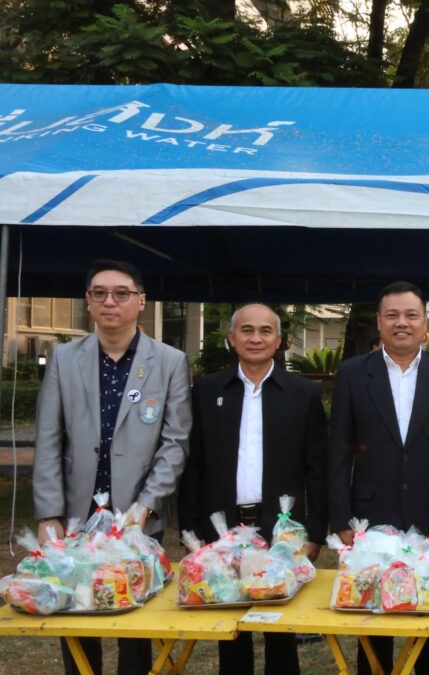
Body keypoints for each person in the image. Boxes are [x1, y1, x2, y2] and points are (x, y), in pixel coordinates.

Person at [33, 259, 191, 675]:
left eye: (122, 293)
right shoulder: (64, 357)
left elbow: (175, 443)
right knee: (76, 613)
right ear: (88, 301)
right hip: (75, 514)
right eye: (99, 293)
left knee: (134, 622)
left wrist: (147, 505)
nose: (110, 302)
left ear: (141, 301)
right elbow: (48, 439)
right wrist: (48, 514)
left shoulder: (170, 361)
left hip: (137, 516)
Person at [327, 281, 429, 675]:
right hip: (370, 517)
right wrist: (340, 519)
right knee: (373, 623)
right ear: (379, 321)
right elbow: (338, 451)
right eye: (392, 315)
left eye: (411, 315)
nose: (401, 323)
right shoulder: (354, 373)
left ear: (425, 322)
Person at [178, 303, 328, 674]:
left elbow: (318, 468)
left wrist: (315, 533)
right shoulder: (208, 390)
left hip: (282, 529)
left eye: (265, 331)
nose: (255, 338)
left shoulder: (302, 393)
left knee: (280, 626)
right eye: (246, 330)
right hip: (222, 526)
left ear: (279, 340)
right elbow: (193, 463)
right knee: (229, 624)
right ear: (232, 338)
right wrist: (190, 527)